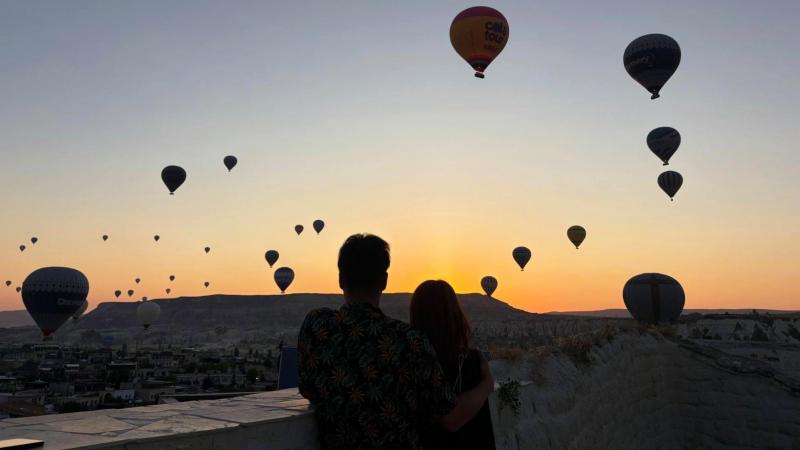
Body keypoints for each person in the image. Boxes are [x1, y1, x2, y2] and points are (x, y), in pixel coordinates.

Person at [298, 234, 494, 450]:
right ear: (384, 281)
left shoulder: (317, 326)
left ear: (341, 279)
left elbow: (308, 389)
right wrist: (487, 384)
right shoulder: (410, 341)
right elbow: (451, 419)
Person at [410, 280, 496, 449]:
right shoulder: (470, 362)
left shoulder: (410, 360)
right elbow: (452, 420)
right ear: (454, 313)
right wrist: (487, 384)